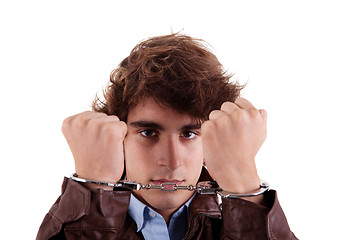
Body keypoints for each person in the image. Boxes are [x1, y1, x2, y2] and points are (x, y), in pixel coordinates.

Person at [36, 33, 297, 240]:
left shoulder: (235, 220)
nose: (171, 161)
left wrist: (244, 183)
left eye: (189, 133)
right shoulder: (70, 224)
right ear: (119, 138)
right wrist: (93, 193)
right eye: (148, 133)